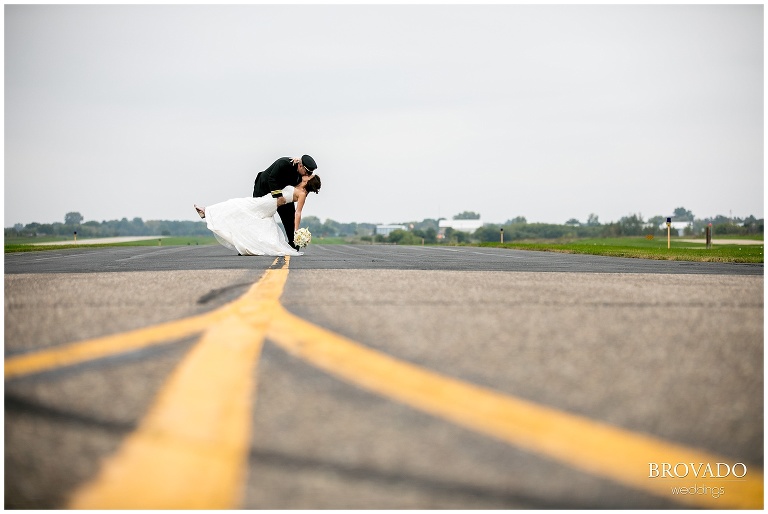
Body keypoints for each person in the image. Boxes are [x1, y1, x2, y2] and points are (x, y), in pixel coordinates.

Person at [195, 173, 321, 256]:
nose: (307, 175)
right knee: (262, 226)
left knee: (237, 204)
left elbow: (297, 212)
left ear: (309, 181)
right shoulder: (298, 183)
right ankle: (208, 212)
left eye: (310, 176)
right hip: (268, 202)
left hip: (267, 203)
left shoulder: (302, 194)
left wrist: (296, 231)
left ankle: (207, 211)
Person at [253, 155, 318, 249]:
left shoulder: (301, 174)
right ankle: (251, 245)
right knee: (258, 217)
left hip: (284, 192)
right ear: (300, 166)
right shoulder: (284, 163)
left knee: (289, 216)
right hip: (264, 188)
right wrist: (279, 197)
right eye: (306, 172)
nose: (306, 175)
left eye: (309, 173)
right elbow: (272, 179)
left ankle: (294, 243)